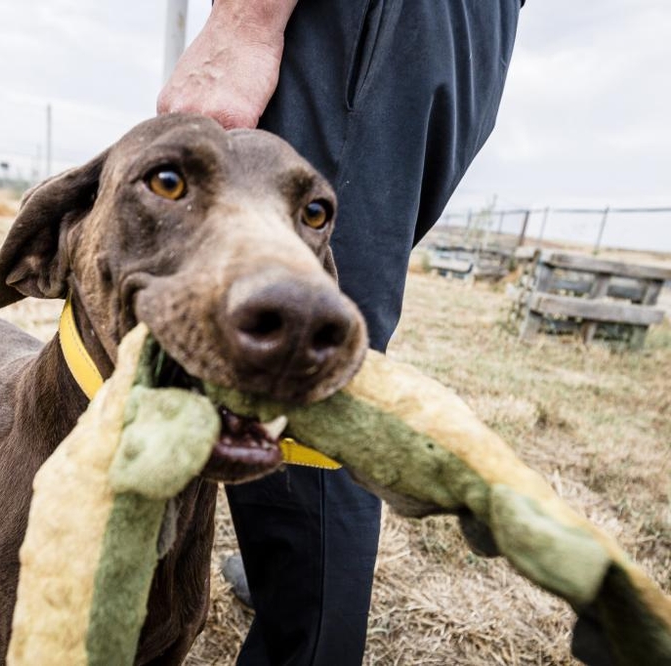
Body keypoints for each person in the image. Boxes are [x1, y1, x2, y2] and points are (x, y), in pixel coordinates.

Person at [158, 1, 522, 664]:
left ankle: (308, 637)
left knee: (296, 361)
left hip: (356, 21)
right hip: (459, 28)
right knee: (279, 335)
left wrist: (246, 21)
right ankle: (286, 581)